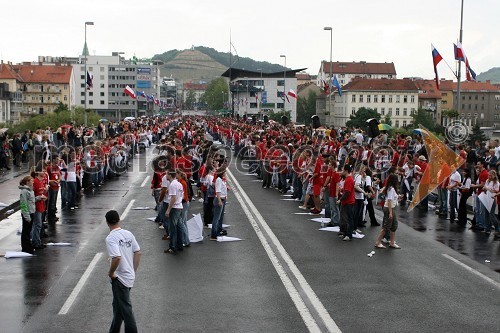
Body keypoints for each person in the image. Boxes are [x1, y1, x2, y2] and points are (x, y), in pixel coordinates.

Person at [105, 210, 141, 333]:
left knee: (125, 309)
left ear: (107, 223)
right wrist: (133, 270)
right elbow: (138, 252)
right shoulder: (128, 234)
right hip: (129, 276)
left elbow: (117, 257)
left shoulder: (111, 238)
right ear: (119, 220)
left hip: (119, 278)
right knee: (118, 308)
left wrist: (111, 273)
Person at [374, 174, 401, 249]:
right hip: (390, 208)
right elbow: (389, 200)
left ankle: (392, 242)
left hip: (391, 207)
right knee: (386, 226)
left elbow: (391, 198)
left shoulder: (390, 188)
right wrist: (391, 212)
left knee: (393, 225)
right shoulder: (391, 189)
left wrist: (398, 197)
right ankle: (378, 242)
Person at [19, 176, 36, 254]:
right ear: (27, 182)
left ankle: (28, 246)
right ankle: (25, 248)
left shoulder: (30, 190)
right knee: (26, 231)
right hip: (28, 214)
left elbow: (31, 200)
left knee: (28, 231)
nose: (33, 182)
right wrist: (27, 216)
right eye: (31, 181)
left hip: (31, 212)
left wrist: (39, 198)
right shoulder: (24, 191)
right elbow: (23, 204)